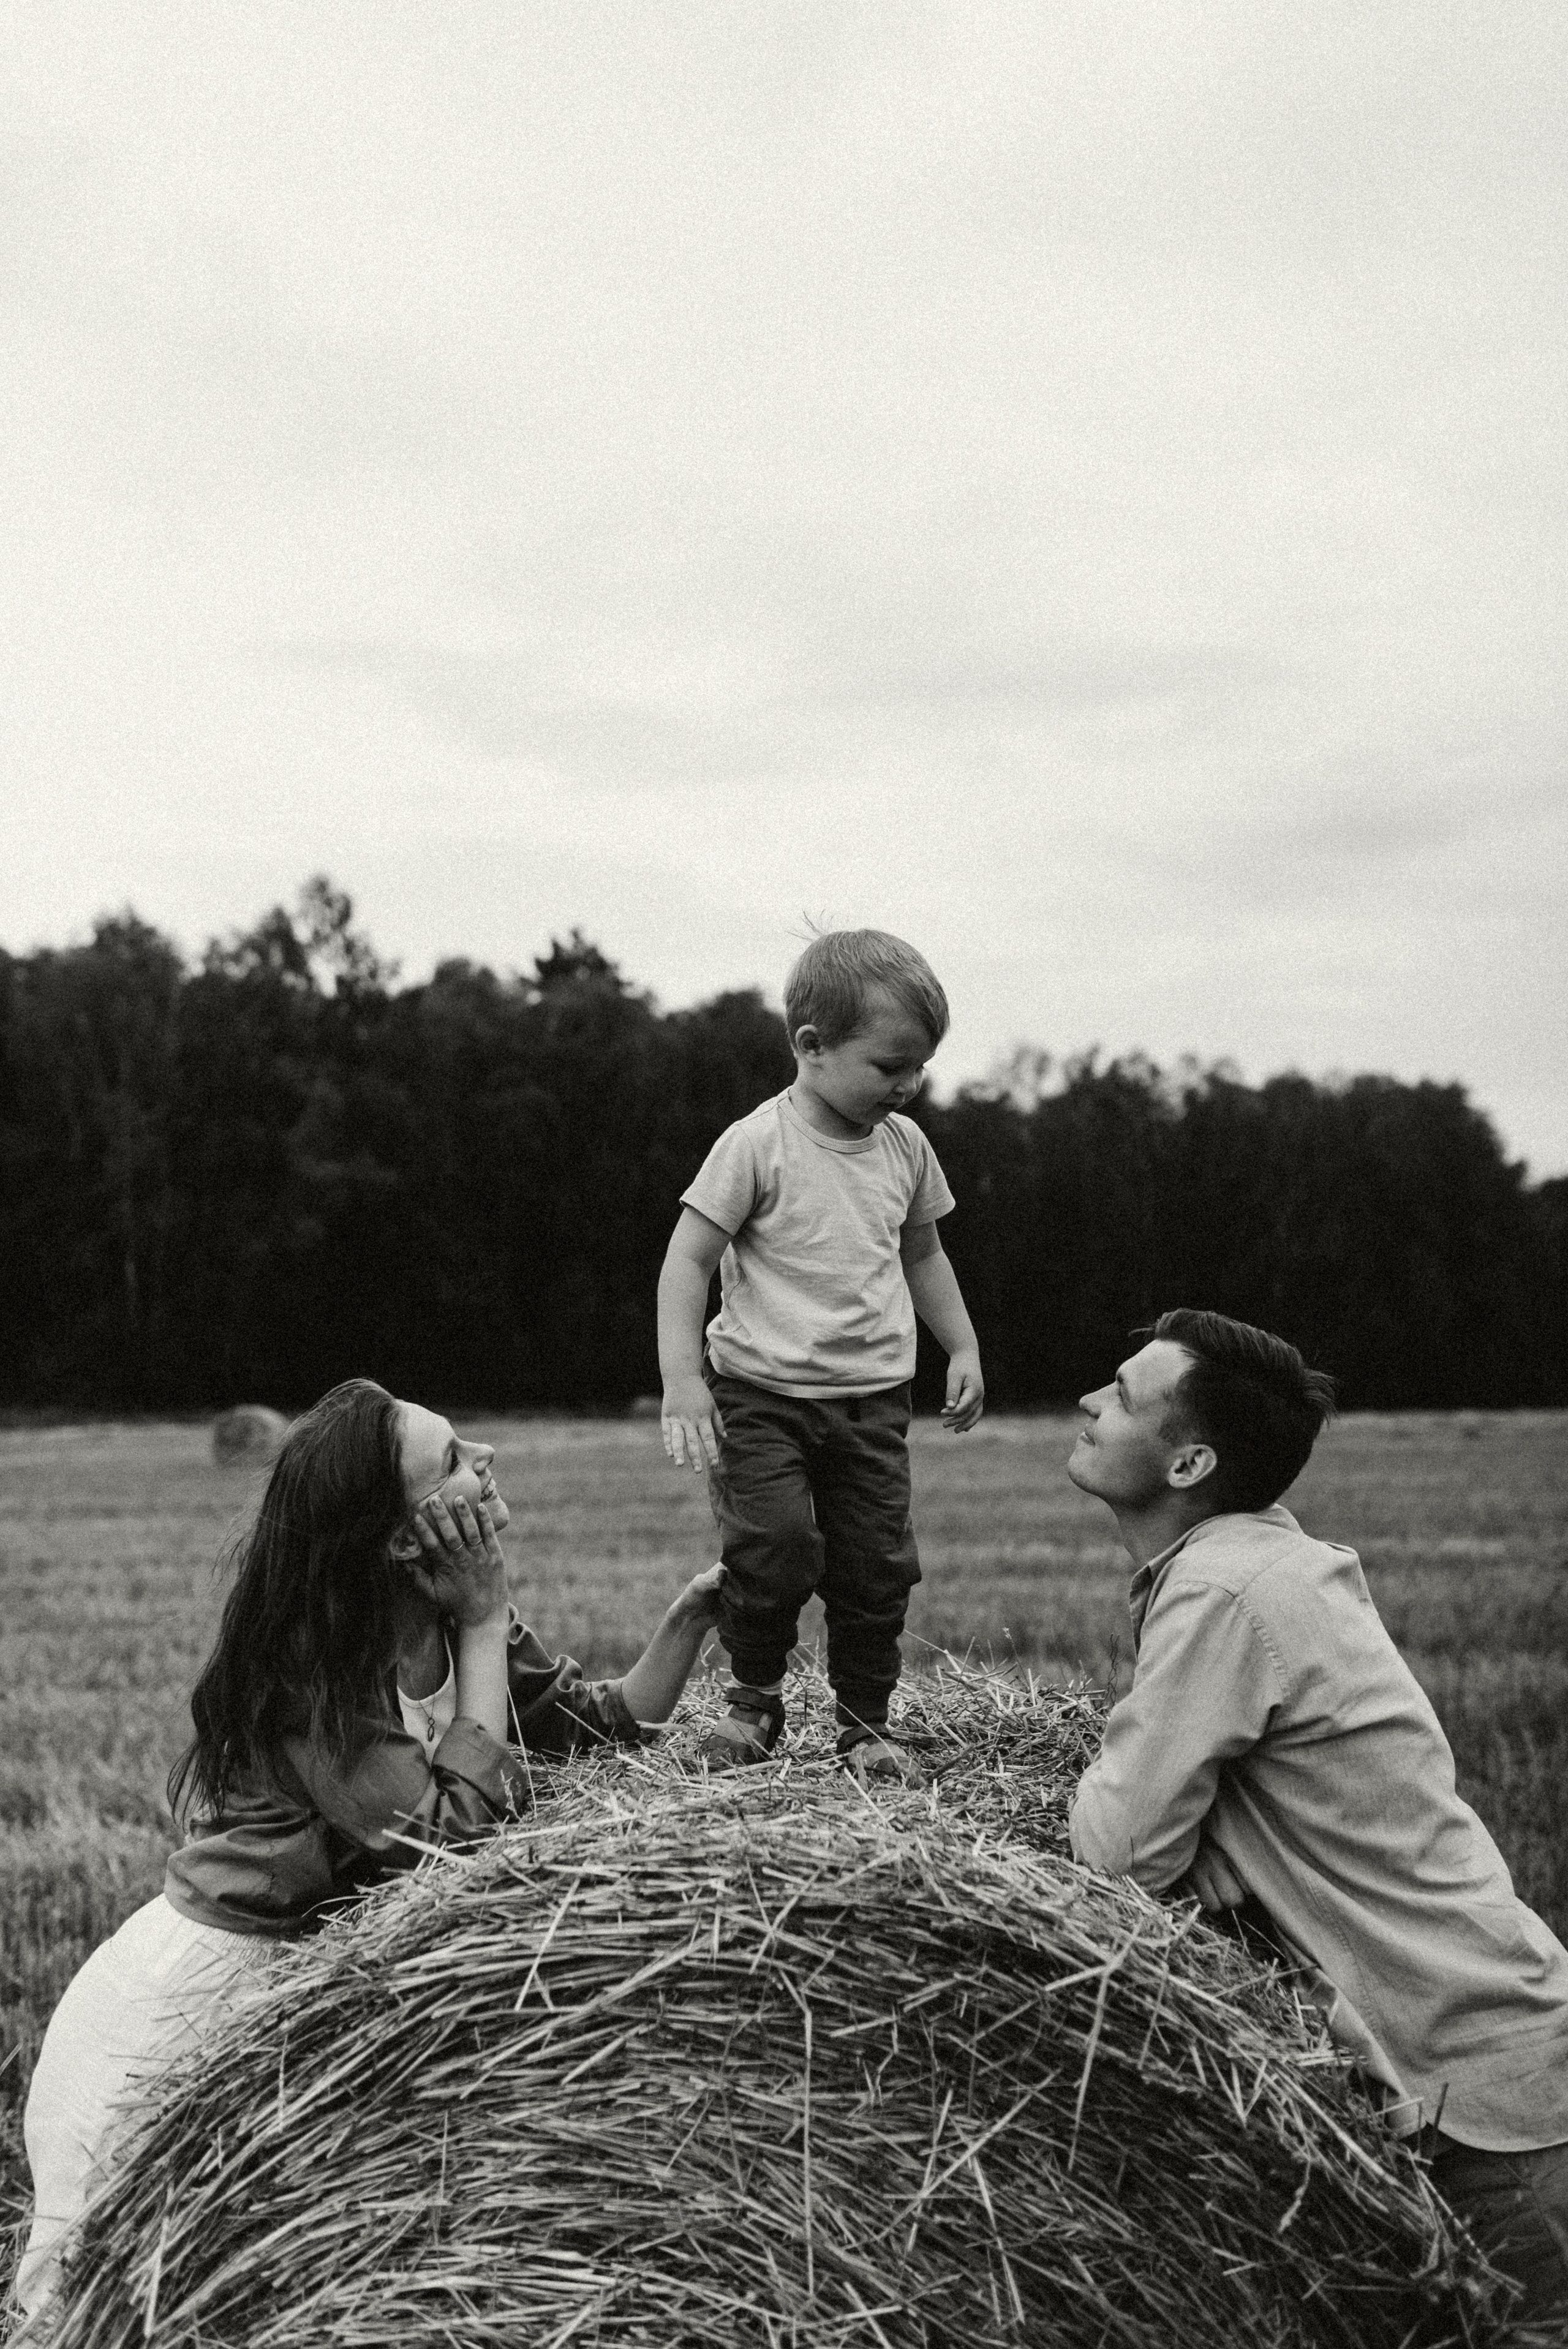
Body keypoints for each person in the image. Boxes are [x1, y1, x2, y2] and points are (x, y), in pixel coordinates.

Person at [18, 1378, 723, 2318]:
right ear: (401, 1537)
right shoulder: (316, 1670)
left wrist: (692, 1616)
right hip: (182, 2018)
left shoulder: (451, 1619)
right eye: (455, 1461)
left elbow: (587, 1730)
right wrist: (480, 1619)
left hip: (310, 1994)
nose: (488, 1462)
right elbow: (447, 1846)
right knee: (94, 2307)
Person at [1065, 1307, 1568, 2325]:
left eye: (1121, 1394)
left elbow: (1114, 1858)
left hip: (1483, 2108)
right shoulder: (1266, 1562)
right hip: (1500, 2063)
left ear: (1189, 1462)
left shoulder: (1223, 1591)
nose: (1087, 1402)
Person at [657, 927, 984, 1787]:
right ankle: (753, 1700)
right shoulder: (756, 1144)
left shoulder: (907, 1149)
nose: (909, 1086)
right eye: (890, 1066)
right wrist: (683, 1381)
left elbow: (923, 1254)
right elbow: (687, 1260)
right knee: (775, 1546)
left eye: (921, 1068)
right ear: (811, 1047)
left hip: (874, 1401)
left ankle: (863, 1725)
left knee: (876, 1566)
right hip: (760, 1395)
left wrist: (963, 1345)